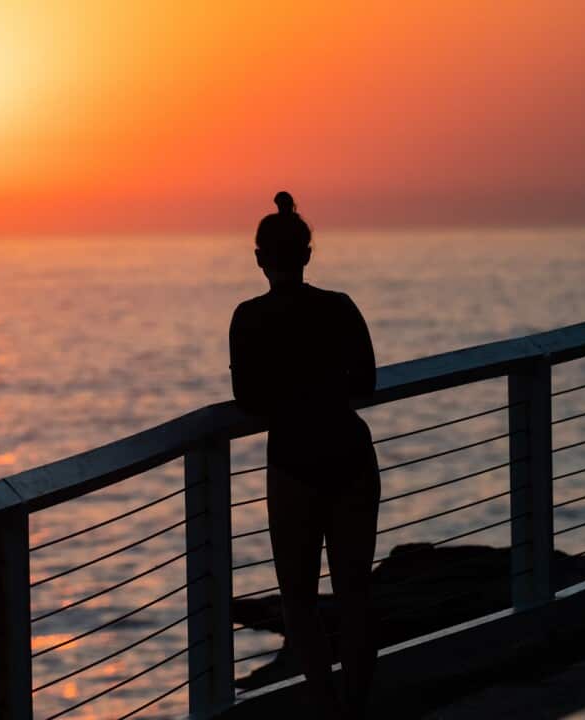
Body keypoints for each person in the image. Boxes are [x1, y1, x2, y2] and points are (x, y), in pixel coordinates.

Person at [229, 192, 380, 719]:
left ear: (259, 258)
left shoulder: (248, 319)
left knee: (299, 598)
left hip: (294, 463)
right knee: (355, 594)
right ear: (308, 254)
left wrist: (286, 393)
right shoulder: (339, 308)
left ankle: (326, 707)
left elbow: (248, 399)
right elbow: (366, 381)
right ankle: (360, 705)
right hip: (351, 455)